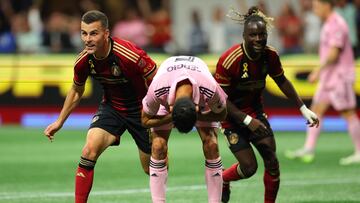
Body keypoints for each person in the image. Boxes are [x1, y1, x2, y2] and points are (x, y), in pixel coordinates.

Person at [43, 10, 157, 203]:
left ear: (106, 34)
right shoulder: (83, 61)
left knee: (150, 168)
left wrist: (158, 114)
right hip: (112, 109)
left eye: (93, 33)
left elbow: (156, 80)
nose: (87, 39)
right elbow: (77, 90)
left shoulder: (129, 55)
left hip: (142, 112)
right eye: (84, 33)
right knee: (89, 151)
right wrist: (60, 121)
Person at [214, 7, 319, 203]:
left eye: (262, 34)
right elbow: (219, 100)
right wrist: (246, 120)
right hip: (231, 119)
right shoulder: (229, 60)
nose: (258, 39)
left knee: (272, 160)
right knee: (249, 168)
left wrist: (303, 108)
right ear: (244, 35)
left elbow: (282, 81)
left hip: (256, 113)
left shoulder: (270, 55)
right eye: (253, 35)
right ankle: (223, 179)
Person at [141, 55, 228, 203]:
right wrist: (172, 116)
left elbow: (222, 115)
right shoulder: (157, 89)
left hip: (199, 96)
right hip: (168, 91)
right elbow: (144, 121)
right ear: (170, 107)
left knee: (211, 145)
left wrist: (197, 115)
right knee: (158, 146)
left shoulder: (210, 89)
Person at [285, 0, 360, 165]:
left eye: (317, 7)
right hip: (329, 77)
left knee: (348, 113)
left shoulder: (337, 23)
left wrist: (318, 70)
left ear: (327, 5)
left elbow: (334, 53)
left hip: (340, 77)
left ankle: (359, 151)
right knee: (316, 110)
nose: (315, 10)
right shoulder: (328, 24)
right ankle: (309, 148)